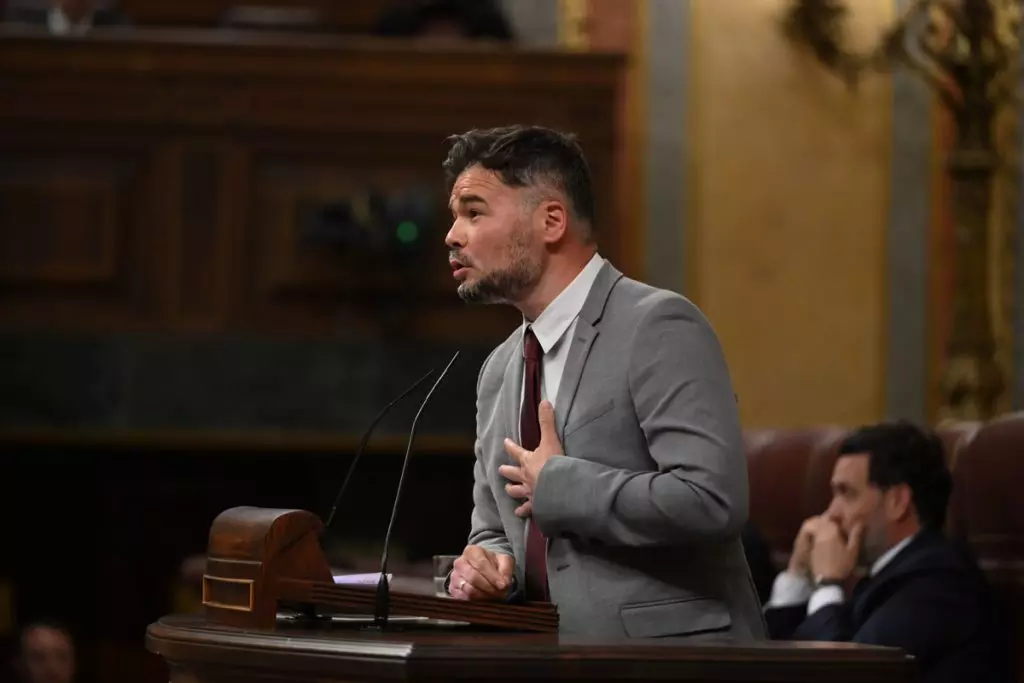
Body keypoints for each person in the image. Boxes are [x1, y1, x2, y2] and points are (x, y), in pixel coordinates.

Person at [441, 124, 765, 641]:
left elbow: (712, 498)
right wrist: (486, 567)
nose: (452, 236)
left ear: (551, 221)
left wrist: (562, 486)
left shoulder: (657, 325)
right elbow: (495, 530)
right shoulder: (499, 369)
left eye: (474, 212)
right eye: (455, 217)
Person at [764, 422, 1011, 682]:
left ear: (897, 502)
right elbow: (769, 668)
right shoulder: (890, 574)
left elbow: (843, 676)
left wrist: (828, 582)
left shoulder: (939, 584)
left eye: (846, 494)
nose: (831, 513)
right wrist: (797, 574)